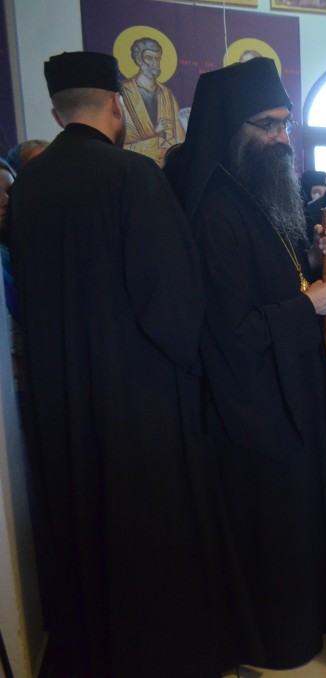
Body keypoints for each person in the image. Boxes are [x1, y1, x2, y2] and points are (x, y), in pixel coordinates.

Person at [8, 51, 226, 677]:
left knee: (82, 523)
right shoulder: (133, 174)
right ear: (115, 104)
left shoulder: (28, 187)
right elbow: (172, 298)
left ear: (57, 113)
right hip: (138, 395)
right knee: (146, 528)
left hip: (60, 395)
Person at [164, 56, 326, 670]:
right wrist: (309, 304)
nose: (282, 138)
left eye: (285, 123)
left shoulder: (255, 194)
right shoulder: (214, 211)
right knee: (274, 527)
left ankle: (311, 620)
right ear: (233, 129)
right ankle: (276, 638)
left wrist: (314, 255)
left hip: (288, 392)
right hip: (252, 411)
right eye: (268, 125)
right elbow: (228, 333)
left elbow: (274, 277)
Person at [121, 36, 184, 166]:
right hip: (136, 165)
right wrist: (155, 131)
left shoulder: (167, 94)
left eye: (158, 58)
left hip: (166, 167)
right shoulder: (124, 91)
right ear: (139, 59)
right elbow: (120, 137)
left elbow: (179, 136)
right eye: (149, 58)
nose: (155, 63)